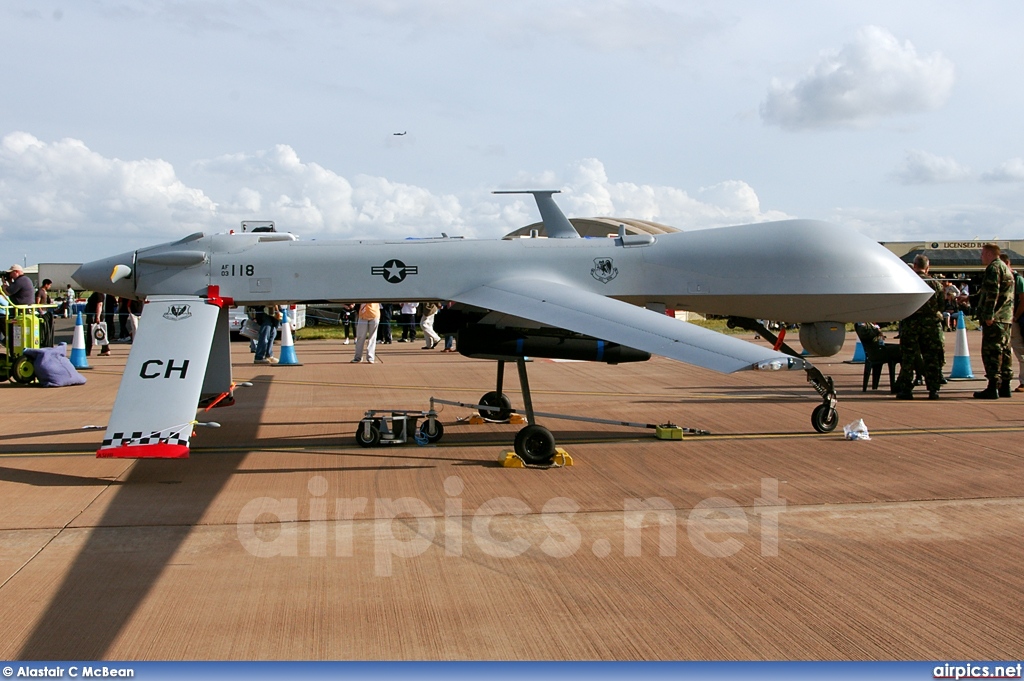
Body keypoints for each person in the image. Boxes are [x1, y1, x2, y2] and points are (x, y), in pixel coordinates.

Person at [963, 244, 1014, 398]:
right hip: (1005, 318)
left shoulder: (993, 268)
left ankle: (993, 386)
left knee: (991, 351)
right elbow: (988, 293)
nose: (981, 257)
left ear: (990, 254)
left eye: (983, 254)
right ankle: (1005, 385)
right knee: (1004, 351)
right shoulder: (1005, 268)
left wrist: (989, 315)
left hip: (996, 318)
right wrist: (969, 299)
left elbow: (993, 293)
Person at [894, 255, 945, 399]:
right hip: (931, 326)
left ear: (914, 266)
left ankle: (906, 389)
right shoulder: (936, 284)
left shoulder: (906, 282)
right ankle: (933, 389)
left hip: (911, 324)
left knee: (908, 358)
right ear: (927, 268)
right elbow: (941, 306)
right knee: (932, 357)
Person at [1001, 254, 1024, 392]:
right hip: (1006, 319)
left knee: (1020, 350)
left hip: (1016, 320)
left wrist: (1015, 316)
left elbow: (1023, 300)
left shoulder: (1017, 279)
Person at [83, 291, 110, 356]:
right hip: (96, 316)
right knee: (101, 333)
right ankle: (105, 349)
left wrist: (97, 316)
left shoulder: (98, 294)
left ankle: (87, 351)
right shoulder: (100, 293)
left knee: (90, 334)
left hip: (94, 316)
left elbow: (99, 304)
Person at [35, 279, 54, 347]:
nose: (50, 286)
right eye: (49, 285)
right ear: (46, 284)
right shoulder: (40, 291)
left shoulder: (45, 292)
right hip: (42, 312)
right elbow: (37, 302)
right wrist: (40, 311)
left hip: (45, 311)